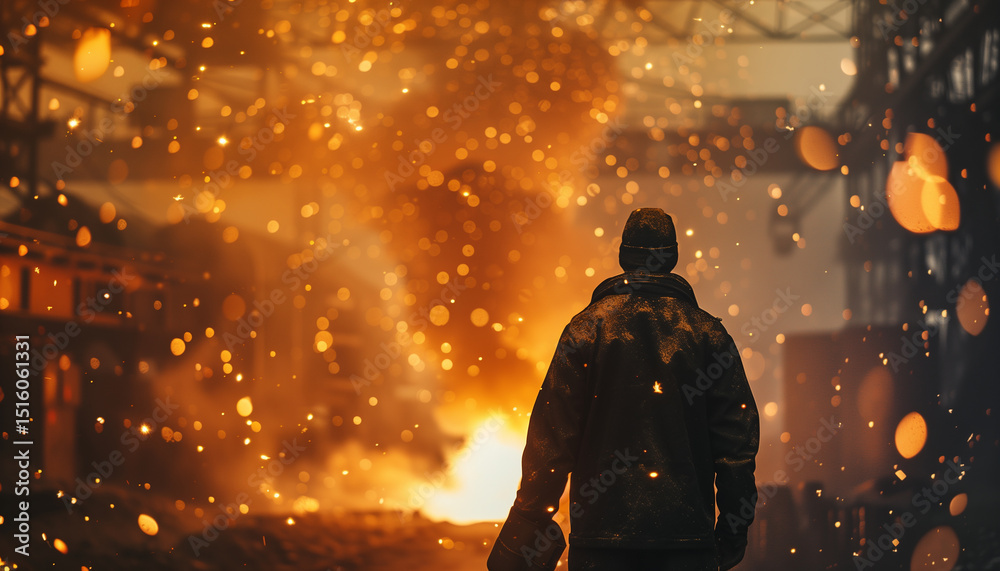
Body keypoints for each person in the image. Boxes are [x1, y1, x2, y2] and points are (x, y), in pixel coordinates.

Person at [488, 207, 760, 571]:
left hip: (600, 544)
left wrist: (530, 518)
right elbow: (737, 446)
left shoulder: (586, 331)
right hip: (686, 544)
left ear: (622, 256)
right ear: (673, 257)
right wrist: (732, 530)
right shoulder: (708, 336)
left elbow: (551, 440)